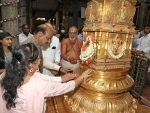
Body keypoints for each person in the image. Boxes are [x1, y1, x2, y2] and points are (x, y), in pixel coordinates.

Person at [0, 43, 92, 113]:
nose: (40, 60)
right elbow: (64, 88)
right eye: (38, 59)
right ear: (31, 65)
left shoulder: (6, 75)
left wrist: (62, 78)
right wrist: (82, 77)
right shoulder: (37, 85)